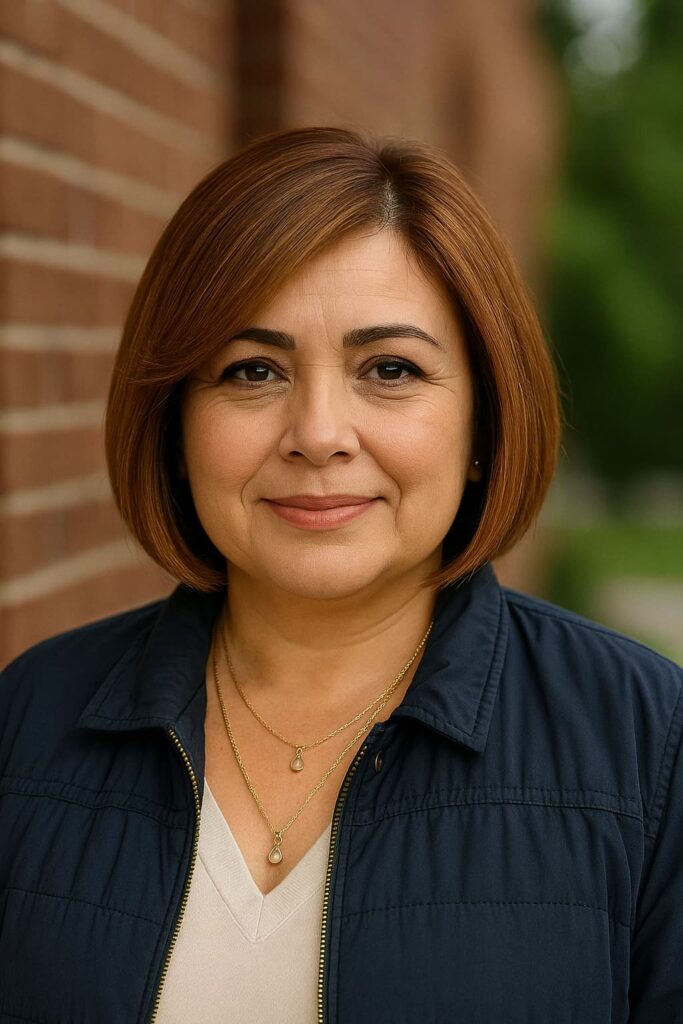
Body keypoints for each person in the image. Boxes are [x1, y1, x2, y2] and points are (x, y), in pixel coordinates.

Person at [0, 126, 681, 1024]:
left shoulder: (646, 743)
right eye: (252, 371)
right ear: (174, 425)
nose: (318, 432)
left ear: (481, 423)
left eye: (390, 369)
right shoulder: (27, 722)